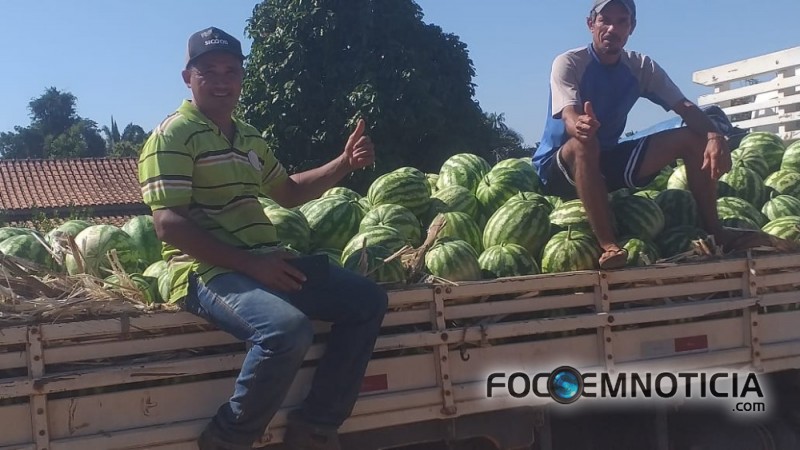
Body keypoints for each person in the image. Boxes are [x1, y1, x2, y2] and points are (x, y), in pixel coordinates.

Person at [138, 26, 388, 450]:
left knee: (367, 301)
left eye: (230, 71)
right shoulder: (171, 137)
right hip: (205, 272)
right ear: (188, 78)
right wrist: (251, 264)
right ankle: (228, 438)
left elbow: (288, 191)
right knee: (285, 331)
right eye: (209, 71)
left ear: (241, 77)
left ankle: (316, 426)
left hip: (265, 260)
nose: (221, 81)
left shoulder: (248, 135)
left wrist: (343, 163)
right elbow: (169, 224)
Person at [532, 0, 735, 269]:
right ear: (590, 24)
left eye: (622, 21)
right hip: (558, 168)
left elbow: (684, 107)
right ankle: (609, 245)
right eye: (605, 20)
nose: (612, 28)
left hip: (605, 164)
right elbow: (569, 113)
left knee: (693, 137)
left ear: (632, 28)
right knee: (585, 143)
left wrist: (714, 135)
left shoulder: (641, 68)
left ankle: (716, 232)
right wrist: (580, 124)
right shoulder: (569, 62)